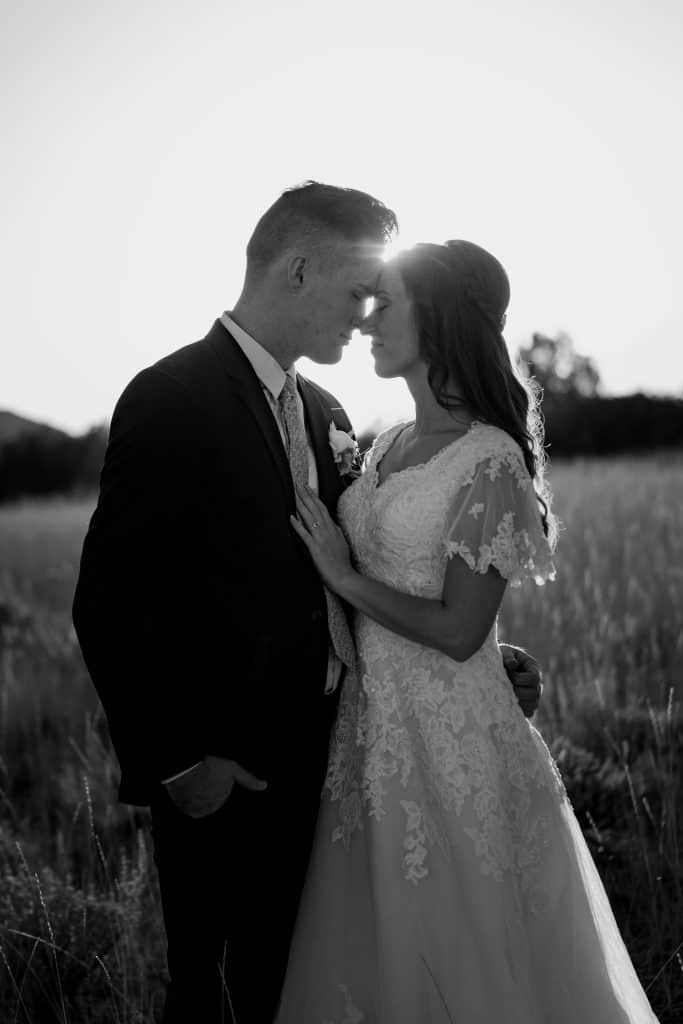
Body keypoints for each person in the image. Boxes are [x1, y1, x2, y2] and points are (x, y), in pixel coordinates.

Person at [72, 187, 542, 1024]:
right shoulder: (172, 396)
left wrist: (478, 653)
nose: (364, 318)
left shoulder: (328, 412)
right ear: (297, 269)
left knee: (300, 989)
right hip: (226, 772)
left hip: (339, 757)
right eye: (357, 292)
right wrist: (181, 764)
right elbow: (111, 601)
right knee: (209, 992)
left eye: (378, 300)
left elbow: (364, 564)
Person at [280, 241, 660, 1023]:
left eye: (386, 303)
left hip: (451, 737)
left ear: (440, 319)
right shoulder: (383, 444)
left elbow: (457, 630)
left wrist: (343, 578)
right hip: (371, 729)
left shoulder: (489, 457)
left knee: (469, 954)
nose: (369, 317)